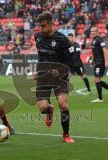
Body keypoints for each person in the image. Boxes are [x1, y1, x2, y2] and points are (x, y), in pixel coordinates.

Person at [33, 12, 75, 143]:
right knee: (42, 108)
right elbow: (41, 55)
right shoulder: (38, 37)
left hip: (60, 77)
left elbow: (71, 59)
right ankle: (50, 109)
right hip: (43, 75)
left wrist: (63, 70)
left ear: (52, 24)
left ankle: (66, 135)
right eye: (40, 26)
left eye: (44, 26)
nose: (41, 29)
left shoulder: (63, 40)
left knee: (63, 104)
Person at [89, 27, 108, 103]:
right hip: (96, 62)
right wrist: (92, 60)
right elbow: (94, 52)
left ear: (97, 31)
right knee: (97, 80)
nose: (92, 32)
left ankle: (101, 98)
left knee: (97, 79)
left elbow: (105, 51)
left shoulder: (100, 39)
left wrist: (106, 61)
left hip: (100, 62)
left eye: (94, 31)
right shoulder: (93, 40)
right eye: (91, 31)